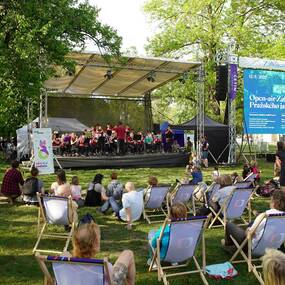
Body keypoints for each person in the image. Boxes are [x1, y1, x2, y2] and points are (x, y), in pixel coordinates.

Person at [65, 222, 136, 285]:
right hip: (110, 279)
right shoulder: (103, 266)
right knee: (128, 254)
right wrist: (106, 263)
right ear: (94, 244)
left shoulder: (65, 265)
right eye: (99, 237)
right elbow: (113, 282)